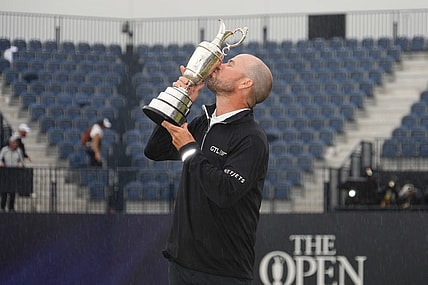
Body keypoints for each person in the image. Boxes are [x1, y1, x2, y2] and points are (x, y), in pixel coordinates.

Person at [144, 54, 273, 285]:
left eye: (230, 64)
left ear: (246, 83)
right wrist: (181, 102)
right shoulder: (204, 121)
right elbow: (155, 150)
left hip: (222, 272)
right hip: (182, 263)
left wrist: (190, 149)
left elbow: (225, 191)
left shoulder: (252, 138)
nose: (219, 65)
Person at [0, 134, 24, 212]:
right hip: (6, 172)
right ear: (10, 142)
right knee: (4, 191)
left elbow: (21, 160)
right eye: (13, 142)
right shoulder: (4, 150)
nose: (15, 144)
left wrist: (20, 164)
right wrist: (1, 163)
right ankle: (2, 207)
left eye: (16, 143)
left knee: (12, 191)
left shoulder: (18, 151)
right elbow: (0, 159)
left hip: (14, 172)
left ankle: (11, 208)